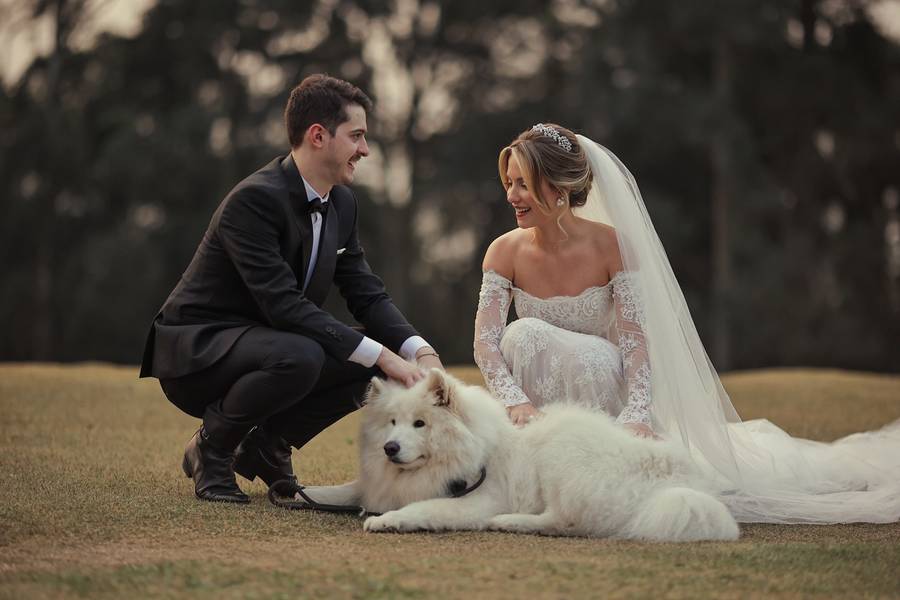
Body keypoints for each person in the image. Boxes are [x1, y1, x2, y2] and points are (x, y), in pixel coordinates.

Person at [474, 123, 900, 524]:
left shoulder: (612, 247)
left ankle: (596, 457)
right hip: (532, 409)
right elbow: (485, 344)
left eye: (523, 184)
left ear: (558, 188)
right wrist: (516, 403)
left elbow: (637, 342)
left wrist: (638, 413)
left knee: (531, 335)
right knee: (521, 335)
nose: (512, 195)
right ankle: (540, 460)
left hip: (605, 390)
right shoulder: (503, 252)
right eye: (509, 182)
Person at [140, 74, 443, 504]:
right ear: (318, 136)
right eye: (356, 136)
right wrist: (385, 353)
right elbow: (283, 305)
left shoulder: (341, 202)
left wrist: (417, 351)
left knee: (371, 365)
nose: (365, 150)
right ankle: (211, 449)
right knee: (303, 355)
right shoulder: (254, 200)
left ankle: (268, 447)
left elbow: (366, 293)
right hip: (198, 354)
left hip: (270, 345)